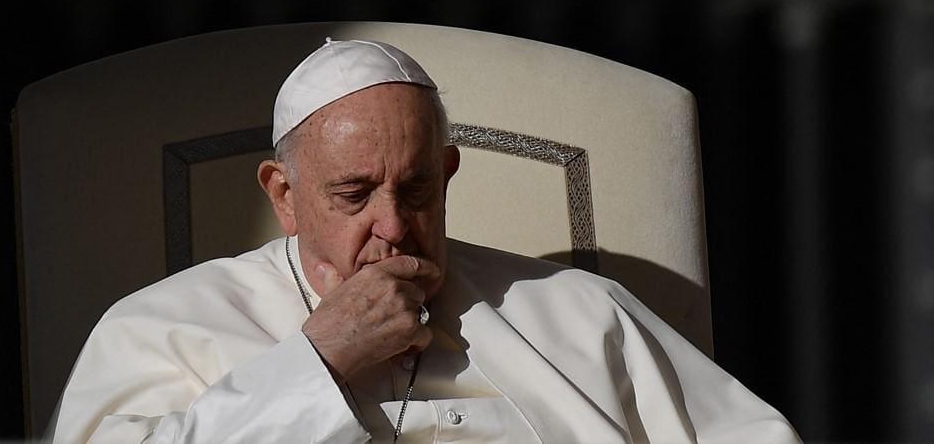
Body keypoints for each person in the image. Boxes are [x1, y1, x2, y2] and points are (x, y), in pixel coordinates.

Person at [50, 38, 799, 443]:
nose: (394, 226)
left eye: (416, 190)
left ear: (447, 173)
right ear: (283, 194)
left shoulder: (581, 315)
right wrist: (317, 363)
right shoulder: (163, 328)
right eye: (352, 194)